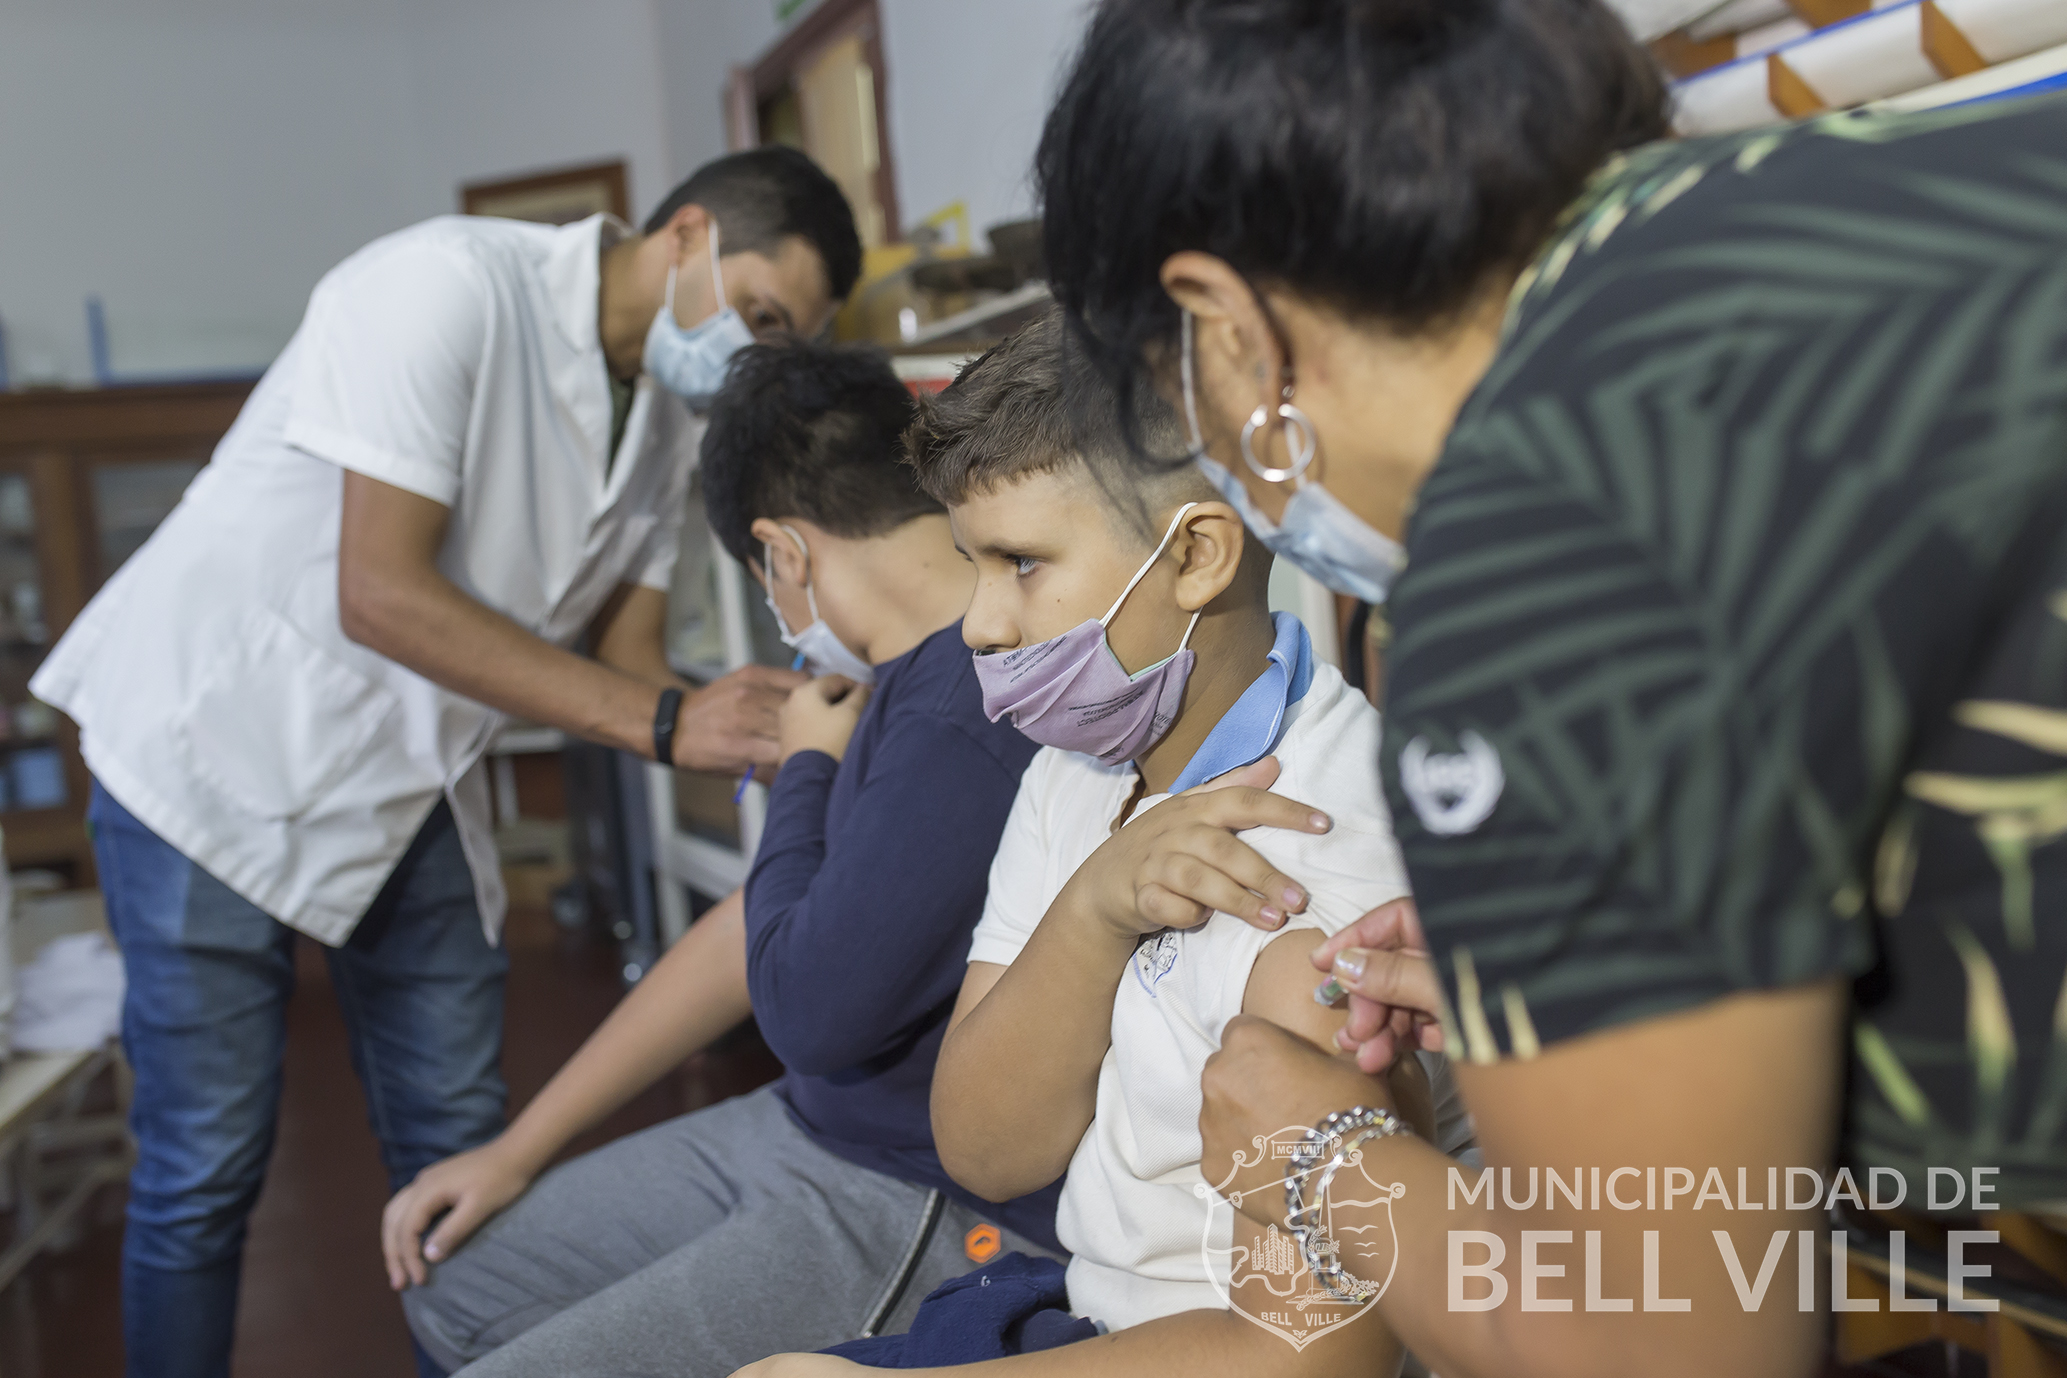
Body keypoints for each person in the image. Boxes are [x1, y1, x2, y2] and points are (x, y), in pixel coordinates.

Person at [1027, 2, 2067, 1376]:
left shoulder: (1539, 544)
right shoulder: (1836, 195)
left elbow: (1670, 1350)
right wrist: (1607, 970)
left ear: (1228, 331)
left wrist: (1328, 1159)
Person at [29, 147, 860, 1378]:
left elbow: (628, 658)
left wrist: (751, 718)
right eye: (760, 314)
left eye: (786, 340)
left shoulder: (662, 425)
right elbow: (378, 591)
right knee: (205, 1170)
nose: (754, 355)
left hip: (410, 774)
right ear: (687, 234)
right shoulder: (445, 285)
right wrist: (667, 723)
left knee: (462, 1154)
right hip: (214, 751)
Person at [744, 312, 1474, 1376]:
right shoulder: (1076, 771)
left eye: (1021, 563)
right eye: (973, 564)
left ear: (1196, 556)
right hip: (1083, 1313)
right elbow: (988, 1148)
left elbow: (1302, 1357)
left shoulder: (1317, 877)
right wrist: (1093, 910)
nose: (980, 624)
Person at [389, 340, 1062, 1378]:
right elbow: (756, 923)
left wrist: (804, 770)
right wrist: (515, 1151)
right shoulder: (891, 685)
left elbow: (802, 1009)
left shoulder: (960, 709)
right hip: (805, 1120)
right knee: (457, 1278)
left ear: (781, 554)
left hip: (918, 1186)